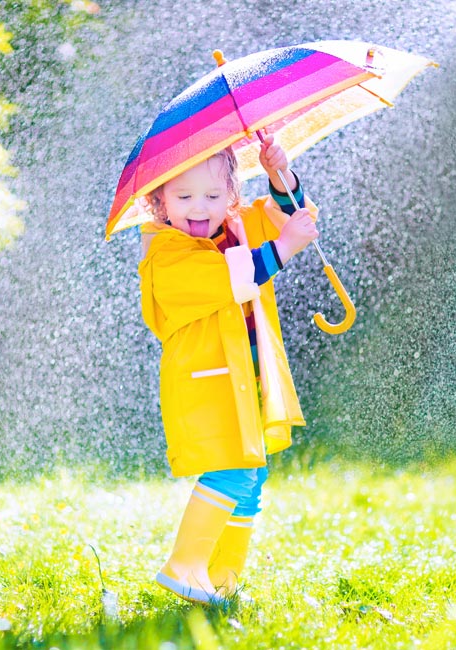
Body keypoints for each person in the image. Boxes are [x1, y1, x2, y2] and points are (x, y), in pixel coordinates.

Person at [137, 134, 318, 606]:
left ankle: (223, 579)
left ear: (232, 196)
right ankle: (184, 566)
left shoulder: (237, 226)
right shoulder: (165, 253)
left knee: (252, 478)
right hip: (208, 387)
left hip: (250, 381)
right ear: (159, 202)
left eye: (214, 196)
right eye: (184, 196)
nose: (200, 207)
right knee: (232, 473)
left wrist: (282, 175)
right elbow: (233, 279)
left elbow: (294, 218)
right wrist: (283, 249)